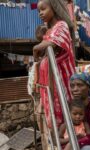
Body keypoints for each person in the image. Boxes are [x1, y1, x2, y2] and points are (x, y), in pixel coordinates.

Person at [33, 0, 75, 129]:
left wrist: (35, 49)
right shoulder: (49, 30)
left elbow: (52, 43)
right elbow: (45, 51)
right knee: (55, 114)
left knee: (65, 111)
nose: (40, 13)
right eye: (39, 11)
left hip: (61, 77)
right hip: (51, 81)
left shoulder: (61, 25)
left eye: (43, 9)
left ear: (54, 8)